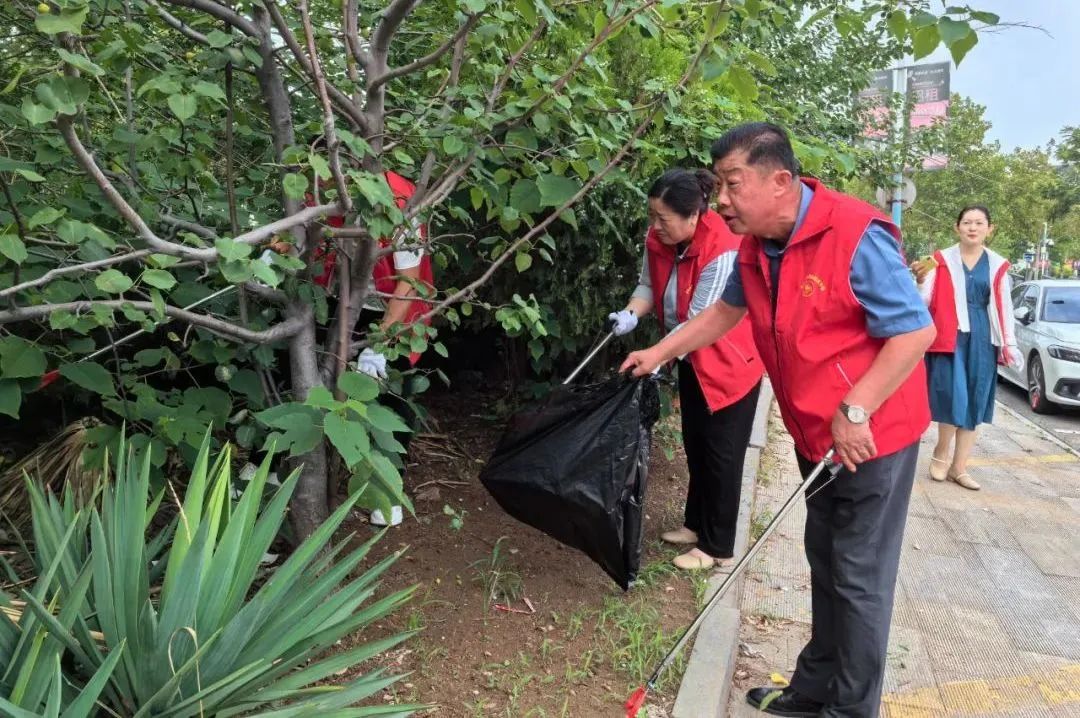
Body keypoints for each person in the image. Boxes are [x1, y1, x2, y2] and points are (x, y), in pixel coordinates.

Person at [621, 123, 936, 718]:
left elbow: (916, 330)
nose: (720, 200)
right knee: (825, 559)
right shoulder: (756, 244)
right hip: (816, 434)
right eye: (718, 186)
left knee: (859, 578)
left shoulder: (854, 233)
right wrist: (658, 353)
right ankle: (812, 691)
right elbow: (724, 312)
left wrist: (856, 408)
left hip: (872, 437)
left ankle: (850, 710)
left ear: (780, 181)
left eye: (732, 184)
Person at [608, 168, 763, 571]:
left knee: (722, 454)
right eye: (651, 216)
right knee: (696, 441)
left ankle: (718, 547)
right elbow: (646, 286)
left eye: (663, 218)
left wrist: (656, 354)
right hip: (690, 357)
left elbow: (701, 322)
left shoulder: (724, 247)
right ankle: (696, 525)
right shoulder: (658, 239)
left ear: (694, 215)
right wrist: (629, 314)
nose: (654, 226)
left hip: (729, 362)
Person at [912, 206, 1022, 491]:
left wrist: (1009, 343)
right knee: (953, 394)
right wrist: (921, 279)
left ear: (990, 229)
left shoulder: (998, 265)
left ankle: (959, 468)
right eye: (967, 222)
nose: (973, 227)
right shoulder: (940, 260)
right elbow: (924, 299)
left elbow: (1004, 306)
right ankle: (940, 453)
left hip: (984, 338)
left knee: (975, 397)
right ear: (957, 227)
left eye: (979, 223)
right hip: (950, 334)